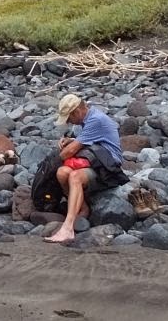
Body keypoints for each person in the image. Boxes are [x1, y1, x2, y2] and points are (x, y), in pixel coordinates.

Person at [43, 93, 126, 244]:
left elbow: (69, 152)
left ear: (76, 112)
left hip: (109, 168)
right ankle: (83, 210)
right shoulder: (87, 119)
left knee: (74, 176)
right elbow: (92, 141)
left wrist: (49, 166)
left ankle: (68, 228)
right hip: (96, 162)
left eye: (69, 118)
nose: (68, 122)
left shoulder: (95, 120)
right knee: (62, 173)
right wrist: (71, 140)